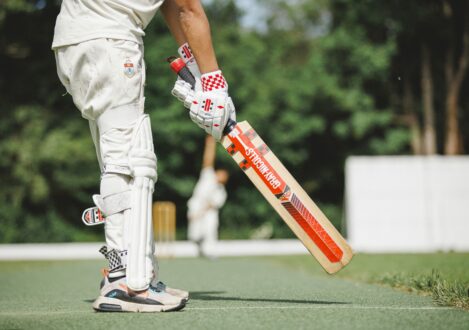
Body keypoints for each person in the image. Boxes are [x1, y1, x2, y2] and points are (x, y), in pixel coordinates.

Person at [52, 0, 236, 312]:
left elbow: (168, 6)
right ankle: (129, 284)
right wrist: (214, 85)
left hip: (73, 42)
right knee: (132, 163)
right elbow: (186, 8)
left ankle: (128, 271)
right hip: (111, 40)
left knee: (114, 163)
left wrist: (192, 64)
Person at [187, 135, 229, 258]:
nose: (221, 175)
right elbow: (208, 161)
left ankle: (210, 251)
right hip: (196, 205)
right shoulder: (208, 176)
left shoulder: (222, 191)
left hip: (208, 211)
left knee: (211, 228)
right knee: (195, 233)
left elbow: (213, 204)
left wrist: (201, 212)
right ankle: (198, 245)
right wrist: (210, 145)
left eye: (224, 175)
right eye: (220, 173)